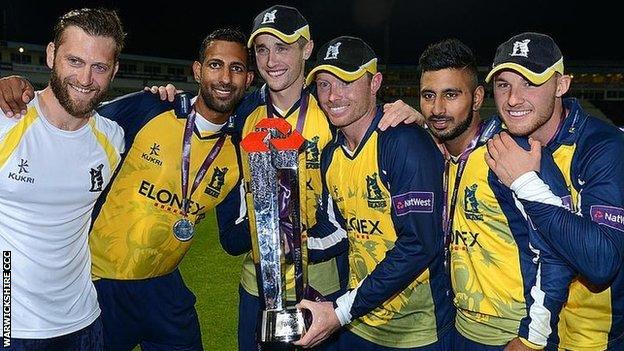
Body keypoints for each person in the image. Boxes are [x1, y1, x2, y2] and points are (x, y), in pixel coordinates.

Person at [0, 28, 254, 350]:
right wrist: (18, 89)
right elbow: (74, 113)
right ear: (197, 70)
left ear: (248, 79)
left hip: (165, 290)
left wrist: (278, 209)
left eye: (236, 69)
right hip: (101, 288)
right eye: (216, 65)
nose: (225, 78)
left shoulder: (240, 152)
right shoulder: (150, 108)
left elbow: (232, 241)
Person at [214, 5, 421, 350]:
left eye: (282, 47)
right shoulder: (242, 113)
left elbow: (383, 132)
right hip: (257, 286)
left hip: (321, 288)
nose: (271, 60)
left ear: (307, 49)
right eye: (262, 49)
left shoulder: (334, 110)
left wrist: (419, 119)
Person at [294, 36, 454, 350]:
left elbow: (420, 244)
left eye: (346, 82)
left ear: (375, 82)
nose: (333, 95)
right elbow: (340, 231)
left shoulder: (404, 142)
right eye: (324, 84)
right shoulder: (331, 154)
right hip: (359, 325)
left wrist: (340, 311)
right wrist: (288, 243)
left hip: (416, 333)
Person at [417, 38, 578, 350]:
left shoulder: (512, 153)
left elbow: (558, 250)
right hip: (457, 327)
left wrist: (533, 338)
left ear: (477, 98)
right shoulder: (434, 154)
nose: (437, 109)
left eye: (451, 94)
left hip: (513, 335)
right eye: (428, 96)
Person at [484, 32, 624, 350]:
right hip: (546, 329)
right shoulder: (507, 146)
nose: (513, 99)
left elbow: (601, 263)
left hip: (602, 340)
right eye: (503, 84)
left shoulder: (604, 147)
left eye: (530, 83)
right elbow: (542, 249)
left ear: (561, 85)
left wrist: (525, 182)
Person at [0, 8, 125, 350]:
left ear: (113, 71)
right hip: (10, 324)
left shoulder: (112, 139)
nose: (85, 79)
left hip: (84, 320)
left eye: (99, 67)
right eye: (74, 61)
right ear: (52, 54)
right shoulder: (6, 122)